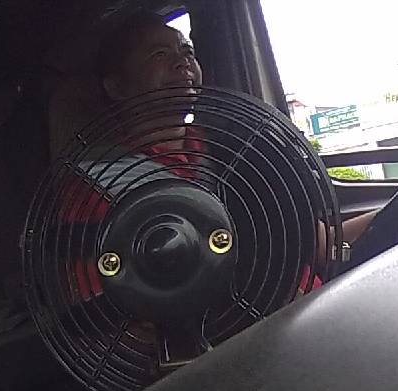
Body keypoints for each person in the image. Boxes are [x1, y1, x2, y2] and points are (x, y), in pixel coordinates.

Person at [89, 11, 377, 266]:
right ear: (117, 87)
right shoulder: (98, 181)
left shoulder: (234, 145)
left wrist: (395, 214)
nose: (182, 62)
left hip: (316, 293)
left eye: (188, 52)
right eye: (159, 54)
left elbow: (321, 246)